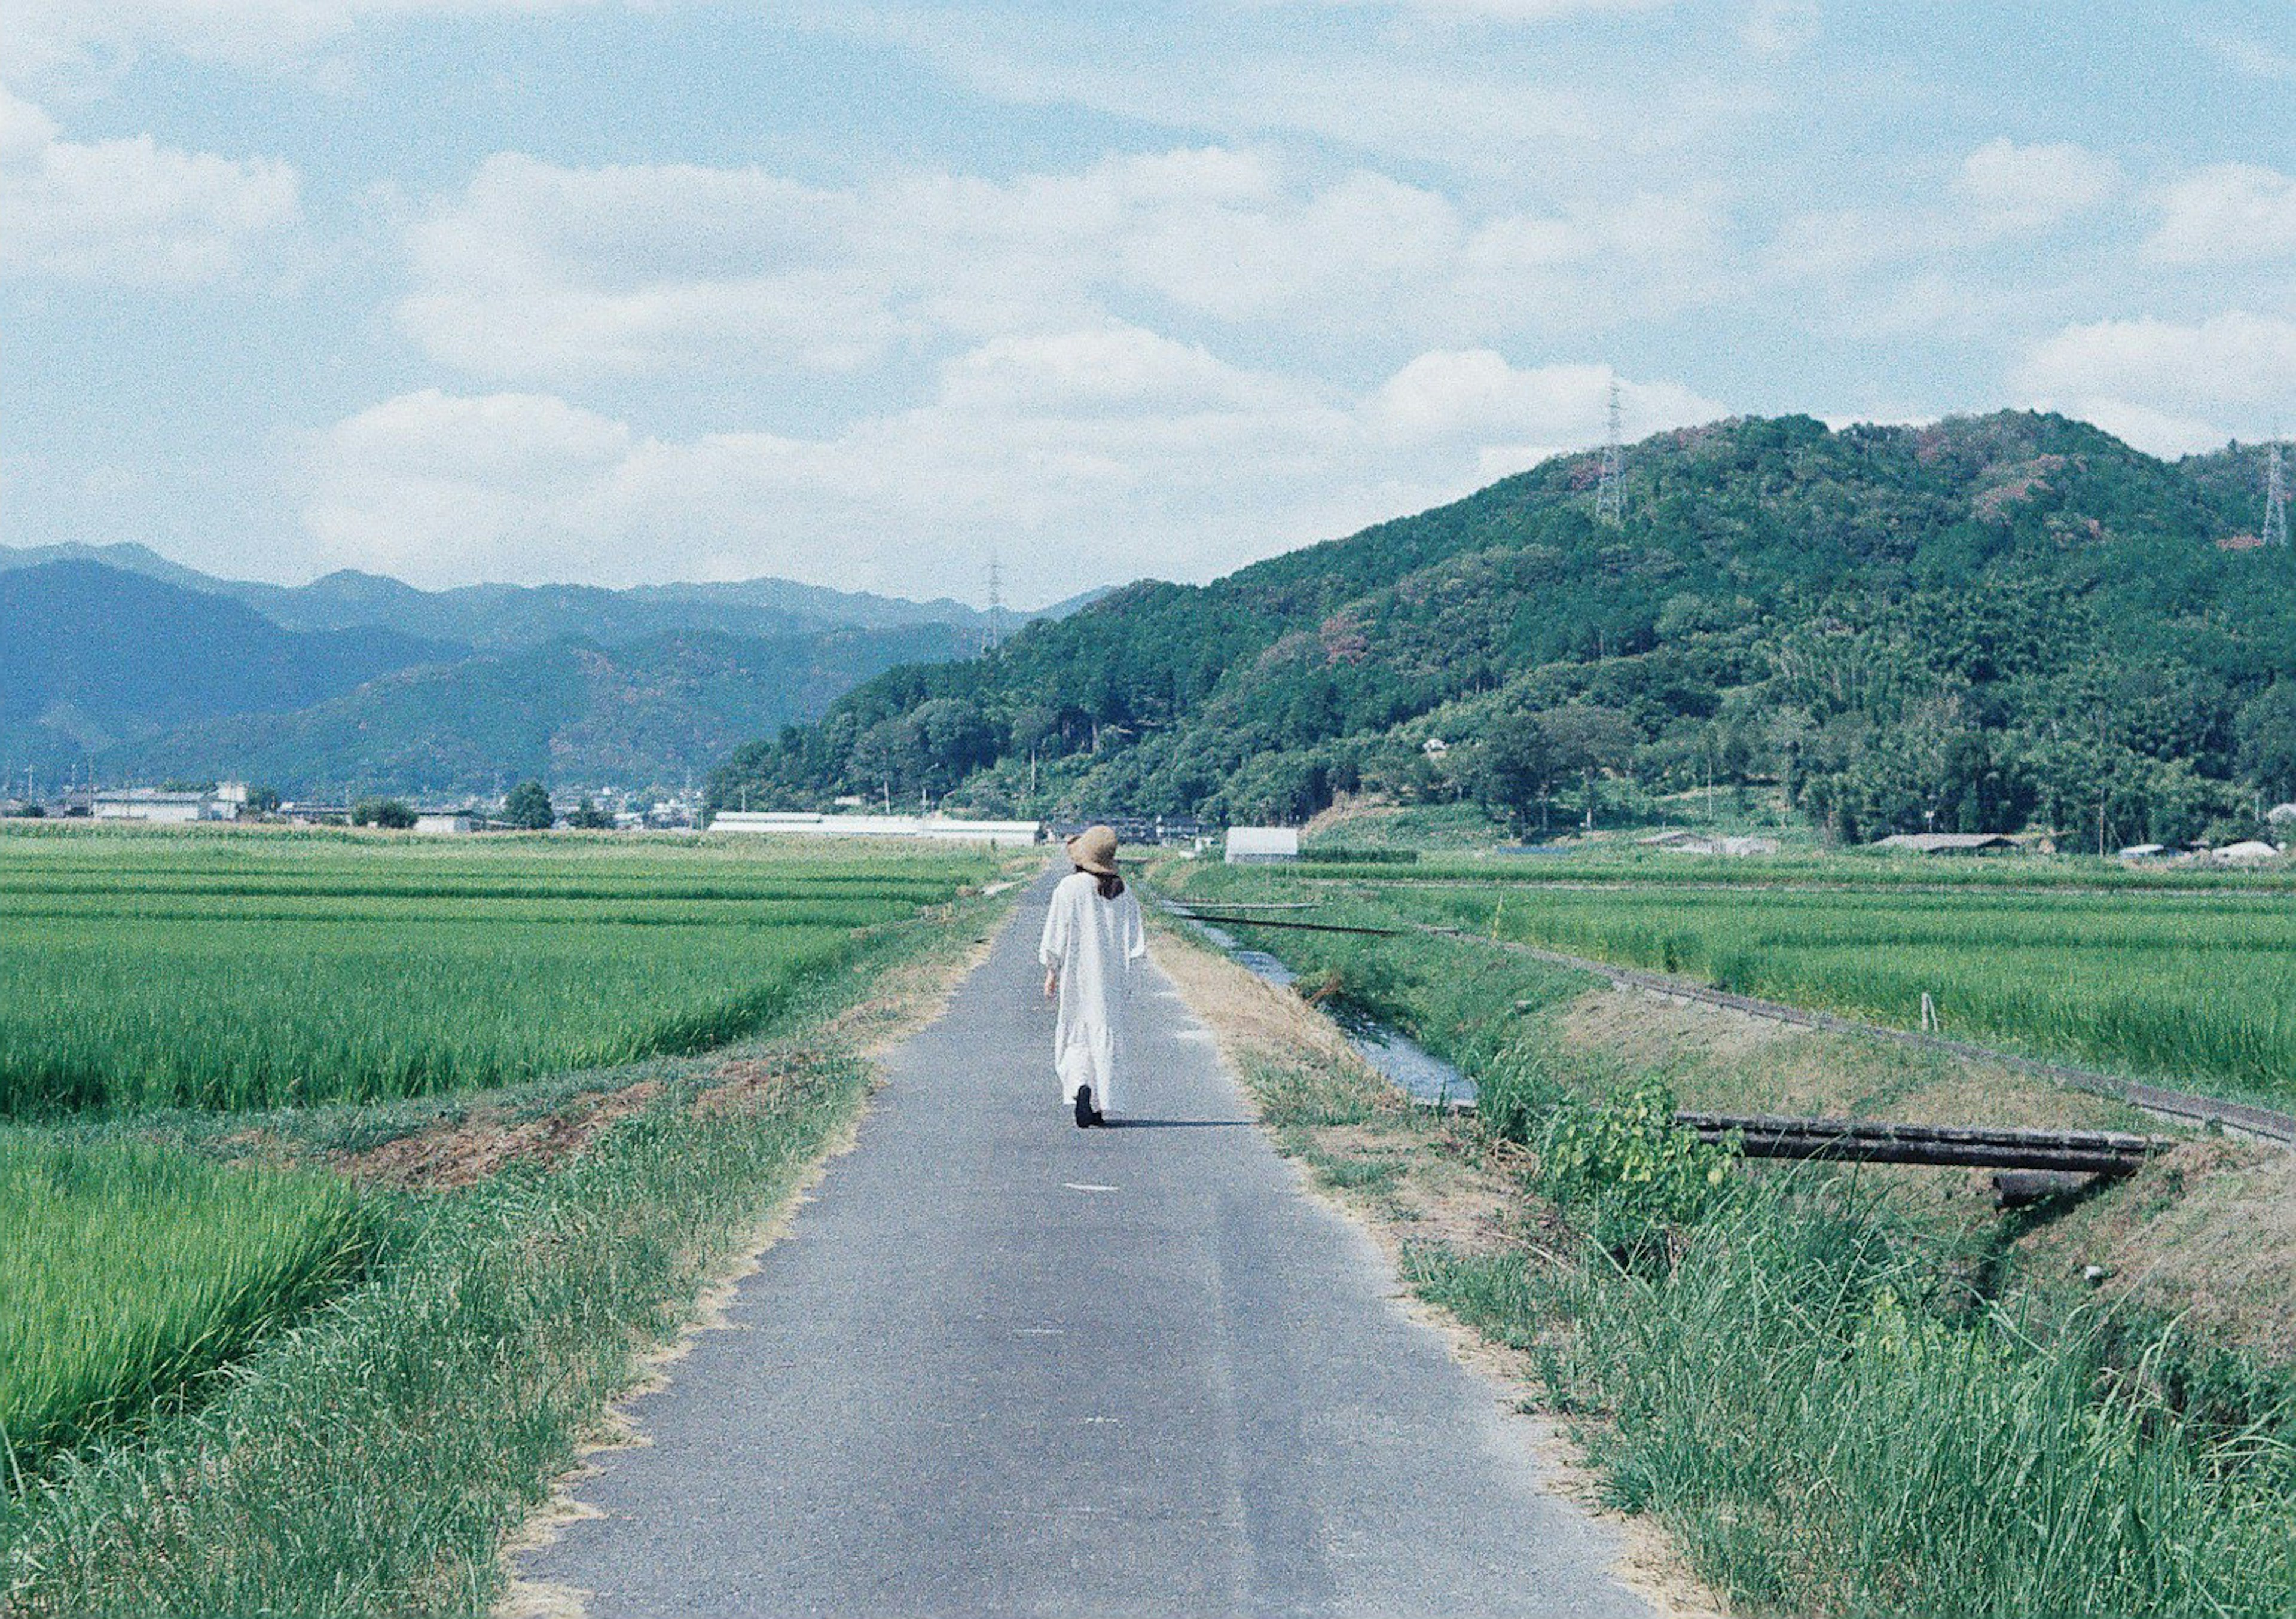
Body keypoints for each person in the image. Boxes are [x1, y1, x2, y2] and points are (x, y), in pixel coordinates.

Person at [1038, 824, 1149, 1128]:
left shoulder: (1069, 888)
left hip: (1077, 973)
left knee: (1076, 1028)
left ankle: (1079, 1086)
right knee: (1105, 1030)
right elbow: (1135, 943)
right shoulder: (1122, 891)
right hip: (1111, 976)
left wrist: (1052, 970)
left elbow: (1055, 935)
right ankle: (1100, 1102)